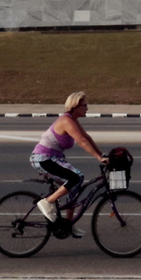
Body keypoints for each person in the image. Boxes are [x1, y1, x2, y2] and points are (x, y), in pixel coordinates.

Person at [29, 91, 108, 225]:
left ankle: (68, 224)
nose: (87, 108)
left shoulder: (73, 120)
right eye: (84, 105)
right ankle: (47, 202)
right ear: (75, 106)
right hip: (43, 159)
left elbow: (87, 138)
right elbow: (82, 141)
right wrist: (98, 158)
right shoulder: (66, 121)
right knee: (76, 177)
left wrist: (102, 155)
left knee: (75, 185)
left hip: (53, 158)